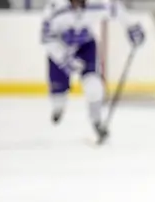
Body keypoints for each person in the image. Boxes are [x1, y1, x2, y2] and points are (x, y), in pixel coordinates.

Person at [41, 0, 145, 140]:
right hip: (60, 48)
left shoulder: (96, 4)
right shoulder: (54, 7)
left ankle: (97, 121)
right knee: (58, 95)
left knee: (94, 86)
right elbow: (46, 38)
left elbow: (117, 9)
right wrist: (66, 59)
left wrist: (132, 27)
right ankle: (58, 108)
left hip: (86, 47)